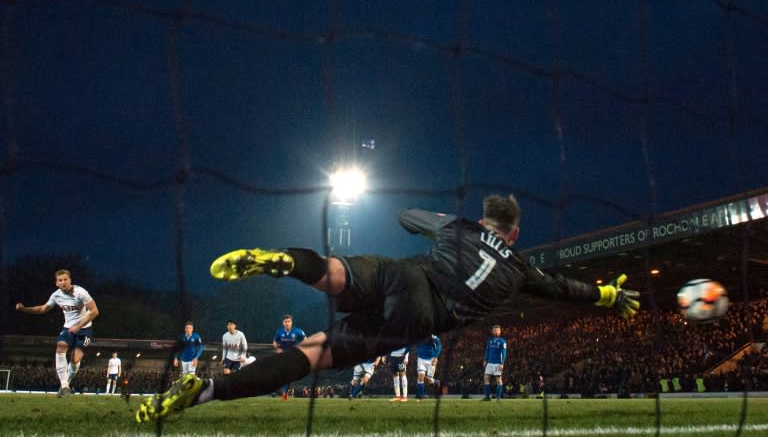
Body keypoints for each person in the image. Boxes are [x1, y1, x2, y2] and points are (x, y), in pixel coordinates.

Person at [136, 194, 639, 422]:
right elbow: (565, 289)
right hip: (419, 317)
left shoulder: (460, 228)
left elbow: (405, 215)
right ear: (515, 234)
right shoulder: (522, 270)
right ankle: (207, 392)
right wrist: (610, 296)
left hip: (406, 273)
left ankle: (287, 261)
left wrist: (439, 222)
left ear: (485, 222)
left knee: (338, 272)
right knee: (315, 354)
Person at [16, 269, 99, 398]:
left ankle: (67, 383)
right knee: (60, 346)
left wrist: (79, 326)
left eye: (65, 279)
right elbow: (43, 309)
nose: (63, 282)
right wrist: (24, 309)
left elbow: (94, 311)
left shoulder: (81, 292)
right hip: (68, 328)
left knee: (75, 358)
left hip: (85, 328)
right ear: (56, 283)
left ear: (70, 280)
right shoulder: (56, 295)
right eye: (60, 280)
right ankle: (65, 386)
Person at [272, 314, 306, 400]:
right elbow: (275, 342)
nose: (287, 323)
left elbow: (306, 340)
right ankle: (284, 392)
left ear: (291, 322)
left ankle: (284, 391)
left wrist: (301, 348)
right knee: (283, 374)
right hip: (283, 355)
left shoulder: (297, 331)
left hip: (293, 355)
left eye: (289, 321)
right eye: (286, 321)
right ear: (283, 323)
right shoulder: (279, 332)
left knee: (289, 374)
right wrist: (278, 348)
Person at [482, 325, 506, 401]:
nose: (496, 331)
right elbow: (487, 350)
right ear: (492, 331)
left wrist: (502, 363)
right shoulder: (490, 340)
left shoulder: (502, 341)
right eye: (494, 330)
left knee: (498, 380)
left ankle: (498, 397)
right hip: (489, 363)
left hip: (497, 363)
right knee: (486, 378)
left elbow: (504, 353)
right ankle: (487, 397)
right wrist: (485, 360)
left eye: (497, 330)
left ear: (500, 331)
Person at [415, 334, 442, 401]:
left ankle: (436, 382)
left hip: (431, 359)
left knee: (429, 380)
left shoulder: (433, 337)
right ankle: (421, 397)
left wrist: (435, 357)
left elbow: (439, 346)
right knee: (421, 377)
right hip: (421, 359)